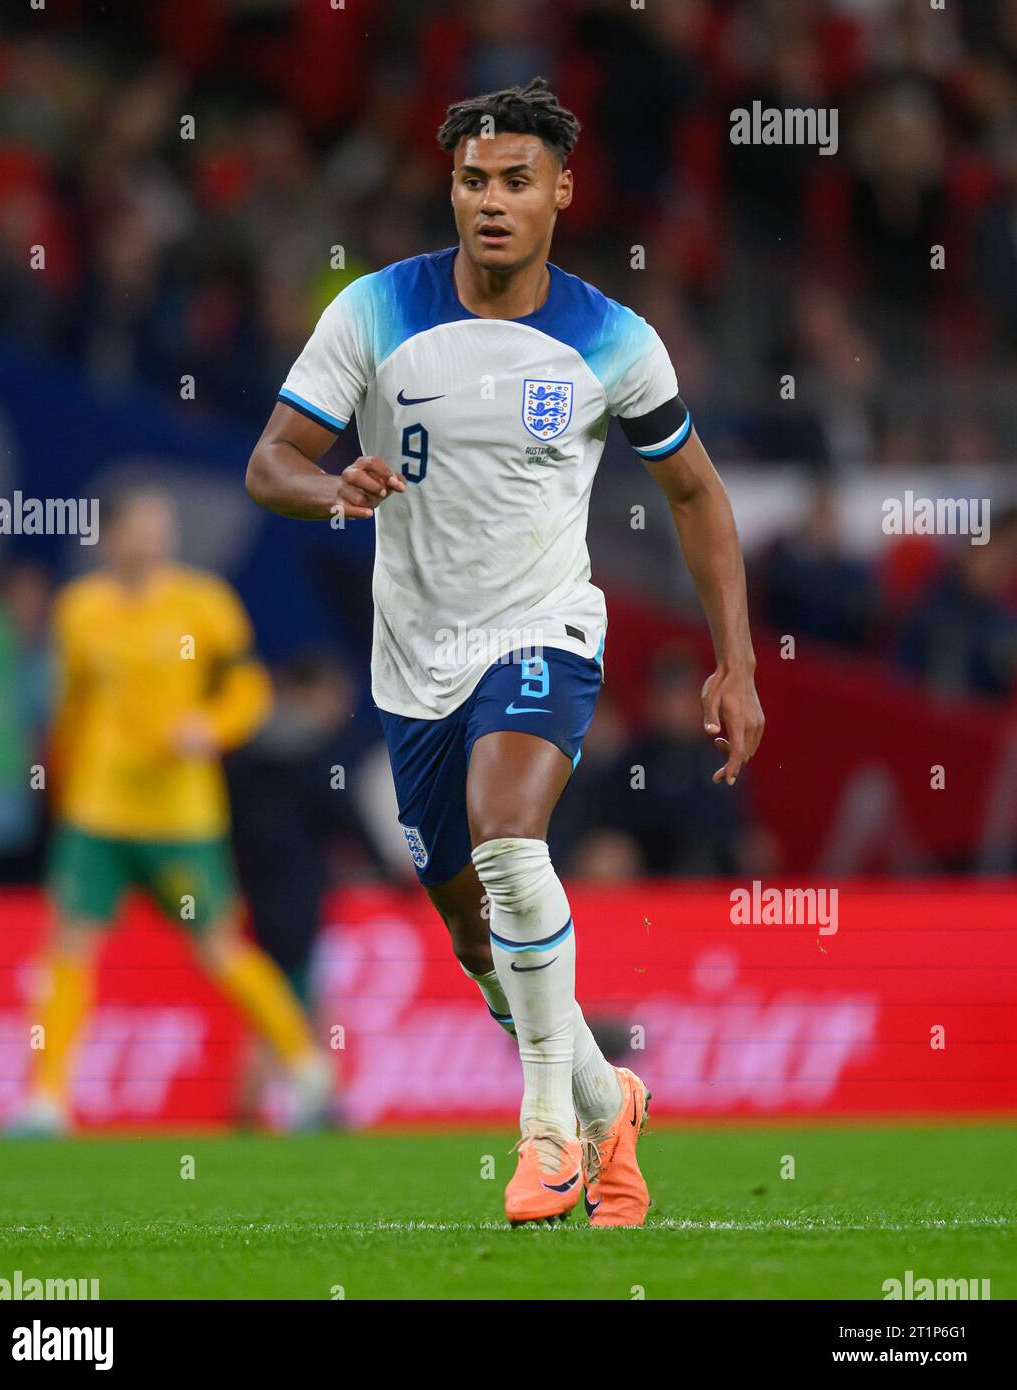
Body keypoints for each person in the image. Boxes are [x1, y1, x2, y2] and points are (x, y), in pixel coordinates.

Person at [246, 78, 764, 1226]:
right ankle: (604, 1096)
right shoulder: (374, 311)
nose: (491, 201)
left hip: (542, 628)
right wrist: (333, 486)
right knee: (474, 933)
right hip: (412, 657)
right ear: (452, 188)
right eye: (473, 180)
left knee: (505, 837)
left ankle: (544, 1137)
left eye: (515, 182)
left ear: (559, 193)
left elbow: (695, 492)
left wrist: (732, 660)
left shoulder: (613, 340)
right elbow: (269, 459)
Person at [9, 487, 333, 1134]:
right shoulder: (81, 610)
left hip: (181, 816)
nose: (153, 540)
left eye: (162, 527)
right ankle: (45, 1101)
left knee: (218, 947)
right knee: (67, 947)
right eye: (141, 527)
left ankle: (307, 1068)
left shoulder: (202, 603)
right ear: (110, 538)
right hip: (97, 814)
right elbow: (68, 710)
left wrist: (212, 727)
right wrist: (61, 785)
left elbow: (247, 686)